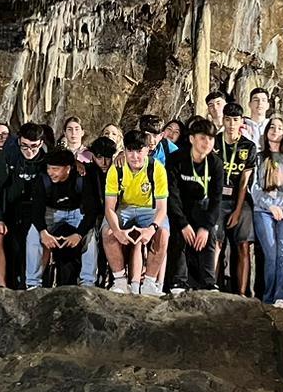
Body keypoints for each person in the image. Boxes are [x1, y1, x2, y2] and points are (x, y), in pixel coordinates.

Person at [103, 130, 169, 295]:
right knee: (108, 232)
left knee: (163, 233)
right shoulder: (116, 169)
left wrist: (152, 228)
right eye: (130, 151)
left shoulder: (157, 169)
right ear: (124, 151)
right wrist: (117, 231)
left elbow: (162, 208)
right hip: (124, 209)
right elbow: (109, 207)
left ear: (147, 150)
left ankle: (149, 282)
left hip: (149, 209)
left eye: (139, 151)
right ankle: (119, 281)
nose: (134, 156)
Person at [165, 117, 226, 292]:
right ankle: (178, 280)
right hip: (180, 207)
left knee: (210, 234)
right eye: (202, 137)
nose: (207, 142)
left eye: (211, 138)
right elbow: (172, 194)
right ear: (192, 139)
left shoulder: (215, 163)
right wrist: (183, 224)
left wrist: (206, 227)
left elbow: (216, 199)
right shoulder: (176, 158)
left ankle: (208, 281)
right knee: (178, 232)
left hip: (203, 207)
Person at [0, 122, 48, 288]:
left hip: (38, 208)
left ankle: (34, 283)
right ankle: (2, 286)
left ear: (41, 143)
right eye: (25, 146)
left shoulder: (47, 155)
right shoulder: (10, 152)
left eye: (34, 147)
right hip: (13, 206)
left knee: (43, 236)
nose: (29, 151)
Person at [250, 115, 283, 308]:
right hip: (263, 210)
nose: (276, 131)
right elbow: (253, 187)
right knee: (270, 254)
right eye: (272, 127)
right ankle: (269, 298)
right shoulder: (259, 157)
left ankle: (282, 296)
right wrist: (269, 205)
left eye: (280, 128)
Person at [32, 148, 99, 286]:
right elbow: (36, 209)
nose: (51, 172)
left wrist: (79, 235)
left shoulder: (81, 178)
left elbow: (91, 211)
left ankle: (88, 282)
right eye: (49, 168)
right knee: (33, 234)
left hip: (76, 212)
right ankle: (33, 283)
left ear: (68, 168)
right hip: (51, 213)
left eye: (55, 169)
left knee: (91, 235)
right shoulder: (43, 179)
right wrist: (43, 232)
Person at [215, 102, 256, 295]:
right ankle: (213, 289)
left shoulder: (249, 146)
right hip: (217, 200)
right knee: (216, 243)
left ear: (241, 122)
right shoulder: (214, 142)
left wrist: (238, 211)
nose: (231, 124)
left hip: (241, 200)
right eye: (228, 119)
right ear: (223, 120)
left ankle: (241, 294)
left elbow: (244, 182)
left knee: (243, 245)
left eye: (236, 120)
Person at [77, 135, 116, 285]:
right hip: (91, 216)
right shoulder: (87, 172)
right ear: (92, 155)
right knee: (90, 236)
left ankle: (115, 279)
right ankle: (88, 281)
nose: (104, 162)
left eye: (108, 157)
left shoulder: (119, 171)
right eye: (99, 157)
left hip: (113, 216)